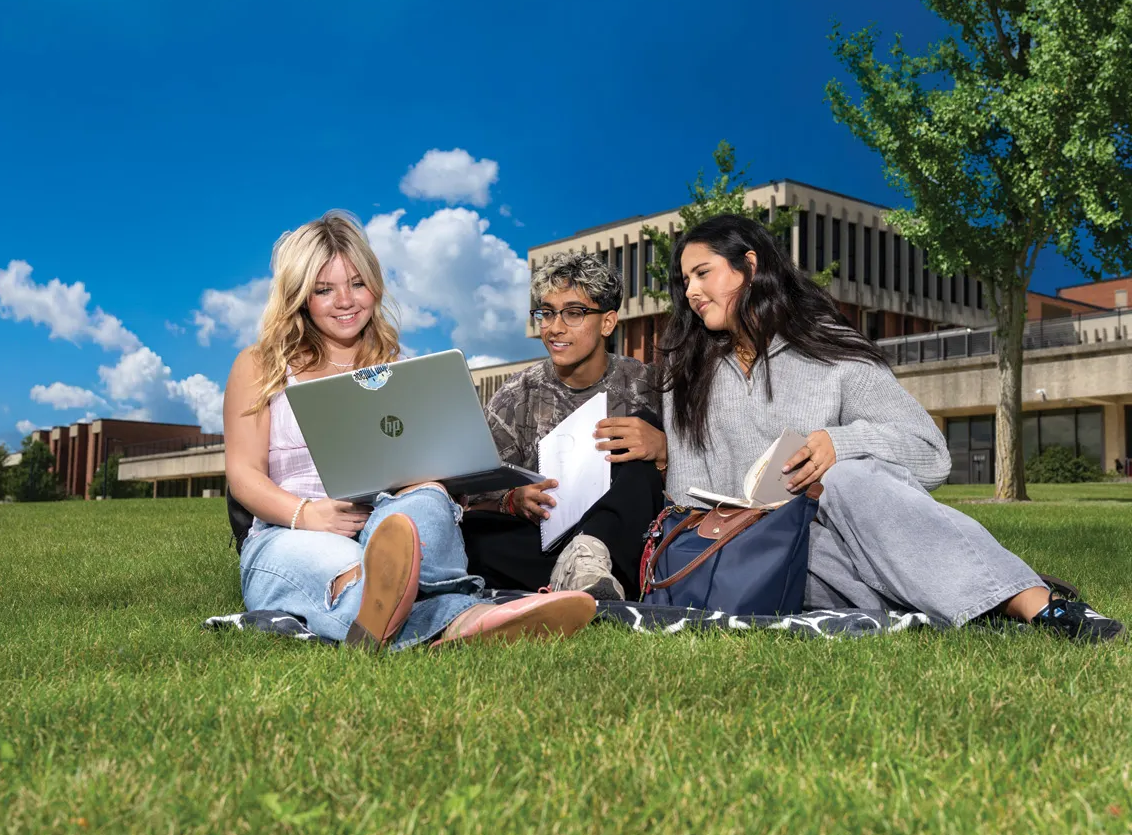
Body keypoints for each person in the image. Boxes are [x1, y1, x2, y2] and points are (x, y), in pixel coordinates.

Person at [656, 212, 1121, 641]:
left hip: (853, 534)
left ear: (750, 266)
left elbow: (932, 454)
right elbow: (684, 492)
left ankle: (1037, 605)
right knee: (831, 554)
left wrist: (841, 443)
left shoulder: (831, 351)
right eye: (685, 281)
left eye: (703, 273)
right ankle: (976, 589)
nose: (692, 292)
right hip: (765, 558)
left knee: (849, 475)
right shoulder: (687, 374)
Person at [223, 211, 597, 648]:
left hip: (388, 524)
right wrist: (305, 514)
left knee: (426, 496)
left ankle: (391, 611)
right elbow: (243, 474)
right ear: (301, 295)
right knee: (346, 567)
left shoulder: (399, 372)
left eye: (357, 284)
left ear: (375, 286)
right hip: (291, 532)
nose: (345, 300)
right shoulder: (261, 364)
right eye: (324, 289)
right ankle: (461, 617)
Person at [462, 252, 669, 598]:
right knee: (471, 534)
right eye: (546, 312)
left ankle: (589, 562)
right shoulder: (516, 395)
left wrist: (662, 448)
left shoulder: (648, 386)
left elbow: (692, 476)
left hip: (625, 538)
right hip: (547, 541)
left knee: (640, 426)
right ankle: (580, 580)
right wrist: (512, 500)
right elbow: (474, 494)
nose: (554, 327)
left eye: (574, 313)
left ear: (607, 322)